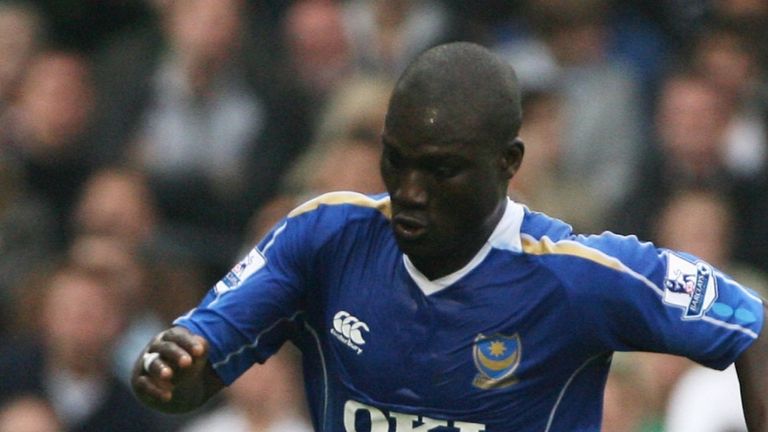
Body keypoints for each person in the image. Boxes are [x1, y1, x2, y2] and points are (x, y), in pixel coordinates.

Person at [131, 42, 768, 431]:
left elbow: (752, 328)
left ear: (508, 163)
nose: (409, 190)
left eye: (441, 170)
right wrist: (171, 374)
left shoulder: (578, 276)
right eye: (396, 160)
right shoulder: (322, 237)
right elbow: (192, 373)